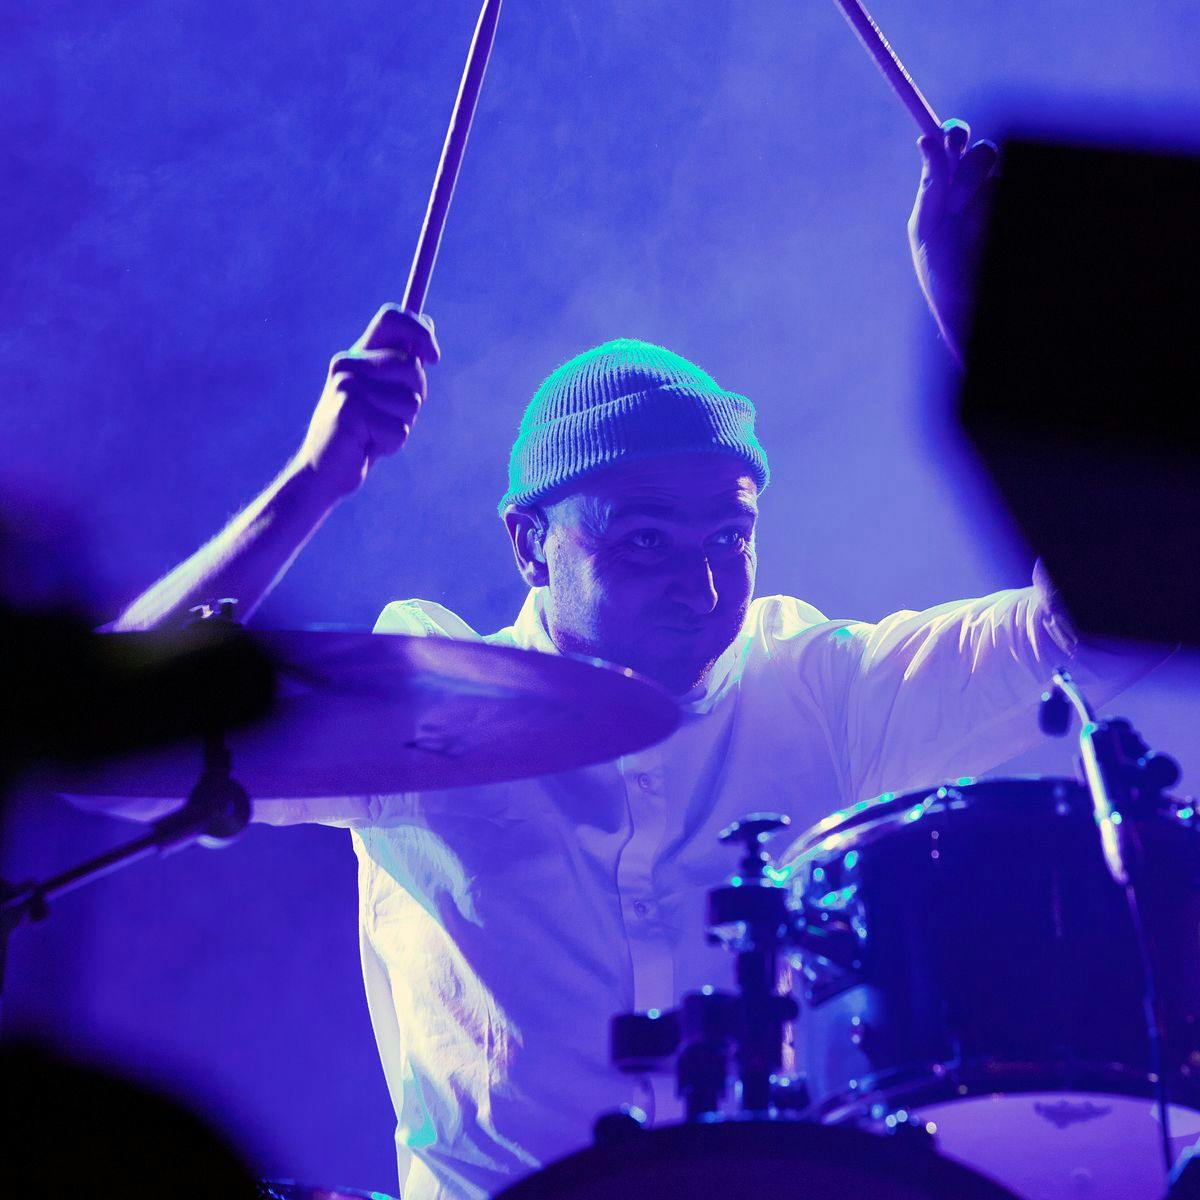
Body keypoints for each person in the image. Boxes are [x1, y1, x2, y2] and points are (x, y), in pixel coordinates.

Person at [111, 125, 1153, 1200]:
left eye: (729, 540)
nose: (703, 590)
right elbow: (100, 747)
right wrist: (314, 480)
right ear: (529, 543)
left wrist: (993, 325)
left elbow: (1100, 605)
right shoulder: (417, 699)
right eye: (644, 542)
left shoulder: (822, 685)